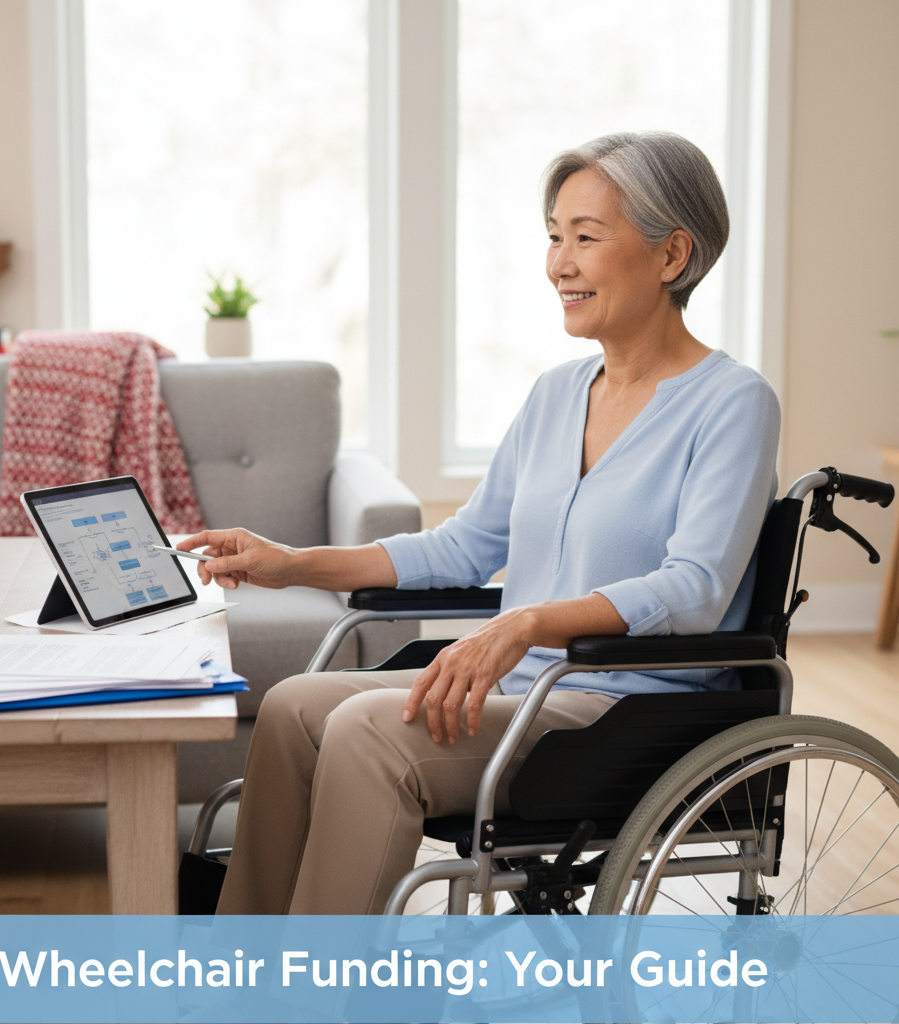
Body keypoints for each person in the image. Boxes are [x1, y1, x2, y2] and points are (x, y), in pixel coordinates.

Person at [179, 130, 781, 915]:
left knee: (365, 731)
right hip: (526, 693)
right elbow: (463, 544)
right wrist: (291, 563)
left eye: (586, 238)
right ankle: (244, 970)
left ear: (673, 256)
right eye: (554, 236)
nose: (558, 263)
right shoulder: (557, 394)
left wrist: (525, 623)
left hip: (623, 707)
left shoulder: (733, 402)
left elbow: (696, 588)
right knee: (294, 704)